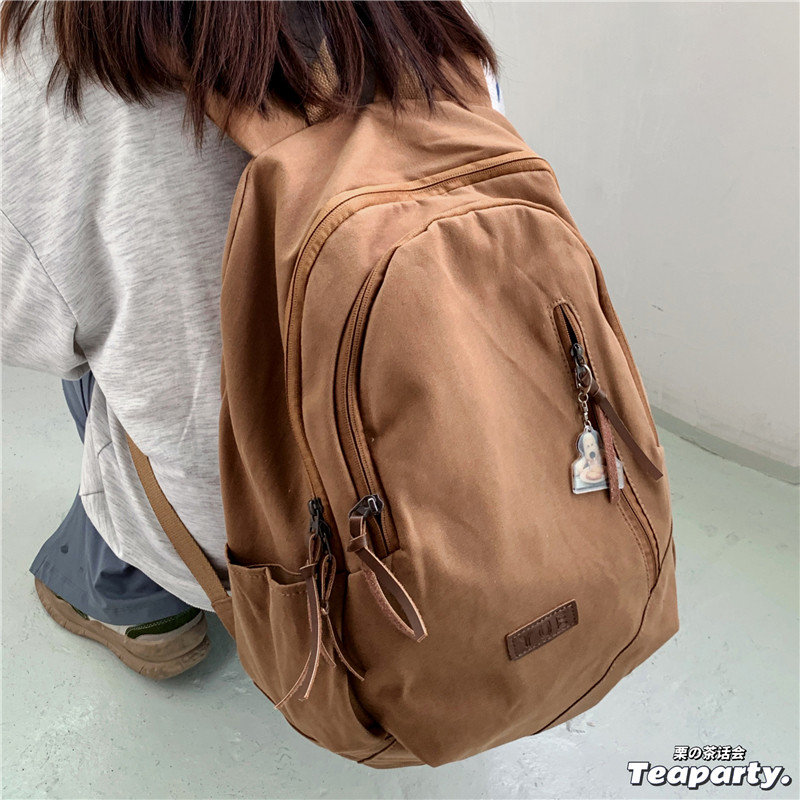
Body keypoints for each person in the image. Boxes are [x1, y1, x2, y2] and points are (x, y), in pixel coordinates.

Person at [1, 0, 501, 678]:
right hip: (481, 468)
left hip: (269, 544)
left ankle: (138, 600)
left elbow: (27, 333)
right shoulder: (415, 18)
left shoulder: (57, 49)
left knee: (98, 355)